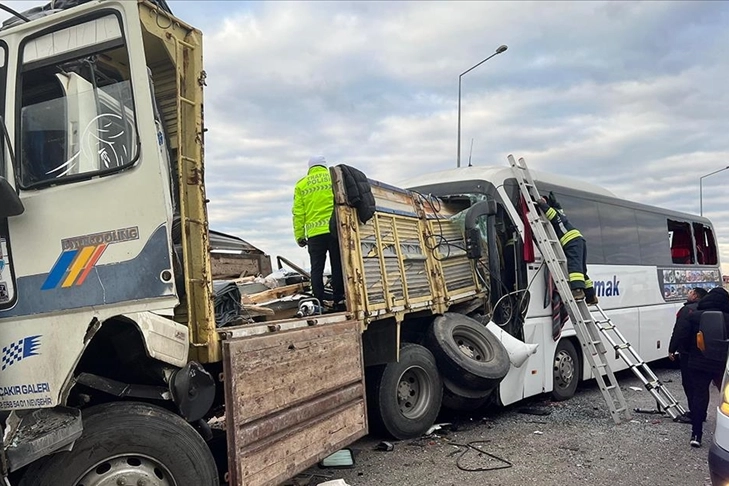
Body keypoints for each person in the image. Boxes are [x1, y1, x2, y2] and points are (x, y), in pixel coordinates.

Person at [674, 287, 729, 447]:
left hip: (698, 363)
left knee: (699, 397)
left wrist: (685, 353)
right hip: (722, 364)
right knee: (725, 396)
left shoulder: (695, 316)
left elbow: (684, 336)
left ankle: (696, 434)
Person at [292, 155, 345, 310]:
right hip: (334, 231)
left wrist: (300, 236)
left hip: (314, 235)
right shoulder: (333, 179)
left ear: (310, 167)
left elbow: (298, 214)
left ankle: (317, 302)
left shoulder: (301, 185)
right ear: (324, 165)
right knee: (337, 266)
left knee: (316, 269)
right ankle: (339, 300)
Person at [537, 192, 597, 305]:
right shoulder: (560, 211)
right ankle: (591, 296)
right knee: (582, 270)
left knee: (574, 266)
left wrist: (541, 204)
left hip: (571, 241)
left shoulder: (556, 214)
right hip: (579, 239)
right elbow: (557, 207)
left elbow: (551, 215)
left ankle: (578, 291)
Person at [668, 286, 708, 423]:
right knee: (702, 387)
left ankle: (694, 414)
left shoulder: (687, 310)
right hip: (704, 353)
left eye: (690, 292)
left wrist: (672, 348)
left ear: (696, 296)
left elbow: (680, 331)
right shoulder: (706, 310)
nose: (688, 293)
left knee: (690, 384)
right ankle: (701, 413)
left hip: (688, 353)